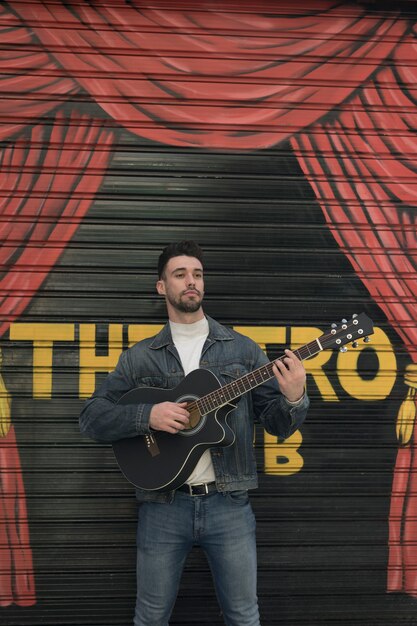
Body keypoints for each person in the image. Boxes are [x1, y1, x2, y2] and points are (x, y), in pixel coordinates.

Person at [79, 240, 309, 626]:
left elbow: (278, 425)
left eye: (198, 274)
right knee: (150, 617)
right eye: (180, 274)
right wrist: (146, 416)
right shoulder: (140, 357)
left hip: (229, 504)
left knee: (244, 616)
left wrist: (294, 396)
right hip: (163, 507)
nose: (191, 282)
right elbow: (92, 417)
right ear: (161, 287)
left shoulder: (243, 350)